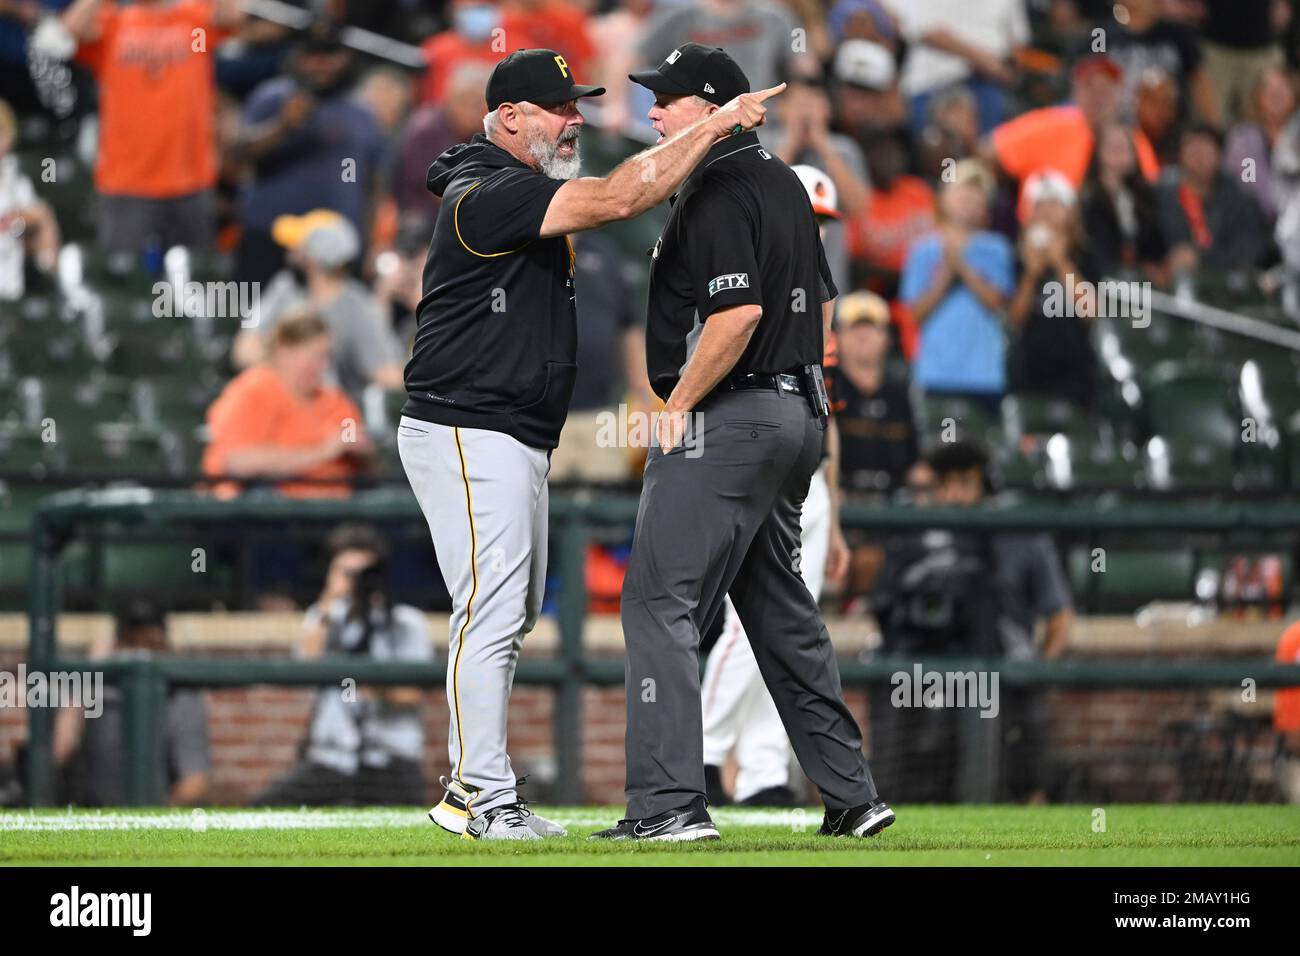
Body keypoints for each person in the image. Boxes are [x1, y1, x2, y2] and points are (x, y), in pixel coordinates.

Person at [397, 46, 783, 842]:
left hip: (504, 432)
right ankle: (478, 796)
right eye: (559, 106)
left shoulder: (510, 184)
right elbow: (618, 197)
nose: (576, 117)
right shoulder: (487, 191)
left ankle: (479, 789)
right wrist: (711, 126)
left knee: (507, 611)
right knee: (491, 609)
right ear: (510, 118)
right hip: (467, 425)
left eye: (575, 103)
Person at [593, 45, 894, 842]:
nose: (653, 113)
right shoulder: (786, 183)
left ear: (712, 105)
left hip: (731, 416)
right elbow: (820, 311)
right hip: (795, 415)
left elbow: (737, 316)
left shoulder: (718, 187)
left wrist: (679, 405)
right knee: (777, 606)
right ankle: (852, 794)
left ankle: (667, 805)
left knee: (659, 602)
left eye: (668, 99)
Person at [699, 165, 854, 809]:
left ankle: (763, 766)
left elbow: (825, 405)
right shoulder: (751, 277)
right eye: (809, 218)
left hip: (806, 465)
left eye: (821, 223)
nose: (814, 231)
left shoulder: (816, 288)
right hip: (759, 454)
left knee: (793, 621)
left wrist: (835, 513)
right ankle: (703, 751)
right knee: (748, 622)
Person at [870, 441, 1071, 802]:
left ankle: (1023, 797)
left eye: (965, 481)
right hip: (922, 674)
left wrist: (1037, 674)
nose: (954, 493)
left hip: (997, 676)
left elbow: (1059, 616)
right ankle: (888, 799)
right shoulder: (913, 538)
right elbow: (886, 614)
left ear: (986, 487)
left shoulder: (1021, 536)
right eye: (945, 483)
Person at [254, 525, 433, 807]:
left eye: (363, 574)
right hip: (331, 760)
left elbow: (411, 695)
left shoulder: (404, 622)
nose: (354, 581)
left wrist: (372, 685)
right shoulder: (324, 618)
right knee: (263, 808)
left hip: (390, 760)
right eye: (345, 572)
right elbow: (304, 668)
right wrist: (330, 602)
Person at [61, 0, 242, 254]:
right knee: (122, 281)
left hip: (189, 179)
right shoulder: (113, 22)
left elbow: (232, 16)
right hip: (126, 180)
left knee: (191, 283)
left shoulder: (195, 20)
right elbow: (69, 31)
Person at [233, 18, 387, 285]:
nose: (320, 65)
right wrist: (282, 127)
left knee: (330, 326)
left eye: (328, 56)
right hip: (270, 240)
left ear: (344, 58)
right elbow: (237, 154)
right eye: (311, 56)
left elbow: (372, 186)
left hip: (338, 248)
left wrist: (370, 242)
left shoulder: (362, 113)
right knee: (258, 323)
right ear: (298, 57)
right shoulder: (272, 97)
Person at [232, 209, 405, 399]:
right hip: (279, 403)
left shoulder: (357, 307)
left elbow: (390, 377)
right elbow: (244, 351)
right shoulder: (285, 288)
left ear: (314, 257)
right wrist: (293, 368)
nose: (292, 250)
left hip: (333, 415)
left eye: (300, 245)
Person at [204, 308, 375, 499]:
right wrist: (323, 452)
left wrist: (360, 448)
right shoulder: (252, 390)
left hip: (334, 512)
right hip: (266, 513)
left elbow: (353, 436)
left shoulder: (333, 400)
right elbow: (237, 462)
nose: (323, 366)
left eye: (326, 356)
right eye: (314, 356)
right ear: (283, 352)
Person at [53, 601, 211, 807]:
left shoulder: (179, 695)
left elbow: (195, 781)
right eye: (132, 642)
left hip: (155, 814)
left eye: (151, 643)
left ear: (165, 646)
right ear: (116, 646)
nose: (141, 652)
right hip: (93, 815)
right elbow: (58, 753)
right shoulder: (92, 688)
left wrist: (152, 822)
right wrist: (90, 675)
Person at [900, 159, 1013, 415]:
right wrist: (947, 275)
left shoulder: (996, 248)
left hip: (984, 374)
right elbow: (915, 314)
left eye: (977, 193)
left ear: (986, 205)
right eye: (962, 190)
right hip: (934, 373)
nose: (968, 198)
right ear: (944, 198)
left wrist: (960, 265)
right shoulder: (922, 251)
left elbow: (996, 303)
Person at [1008, 170, 1099, 410]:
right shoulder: (1018, 258)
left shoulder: (1086, 256)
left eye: (1055, 204)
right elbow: (1014, 320)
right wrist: (1031, 273)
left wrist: (1060, 262)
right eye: (1040, 205)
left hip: (1076, 372)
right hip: (1030, 371)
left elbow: (1091, 313)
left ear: (1071, 212)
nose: (1047, 212)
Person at [1156, 123, 1269, 276]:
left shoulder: (1240, 199)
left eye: (1205, 149)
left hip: (1227, 290)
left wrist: (1201, 259)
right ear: (1180, 155)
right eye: (1193, 150)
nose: (1199, 157)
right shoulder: (1161, 199)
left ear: (1219, 156)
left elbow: (1251, 250)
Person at [1079, 121, 1169, 281]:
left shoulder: (1145, 197)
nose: (1119, 153)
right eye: (1113, 147)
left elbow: (1156, 249)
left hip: (1141, 287)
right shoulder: (1087, 201)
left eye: (1124, 147)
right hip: (1099, 287)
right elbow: (1094, 255)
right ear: (1099, 153)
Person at [0, 97, 59, 299]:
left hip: (10, 281)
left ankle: (53, 283)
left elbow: (39, 219)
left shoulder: (16, 179)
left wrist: (20, 219)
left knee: (42, 213)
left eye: (1, 131)